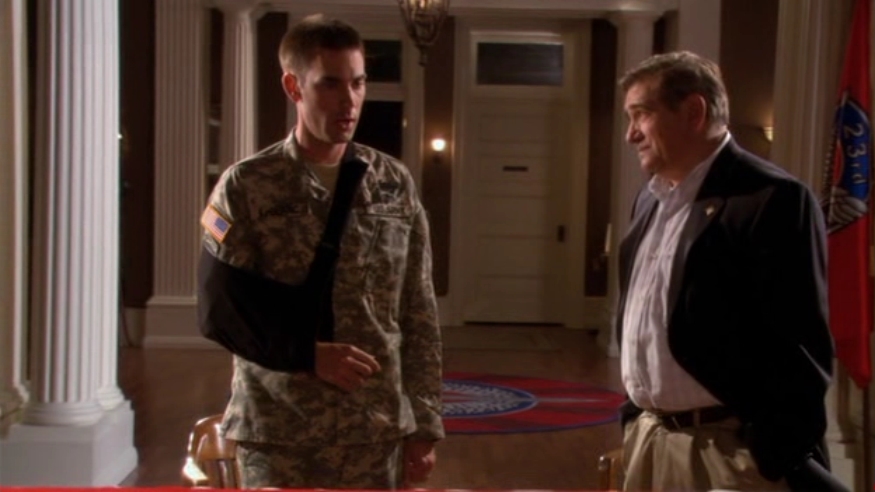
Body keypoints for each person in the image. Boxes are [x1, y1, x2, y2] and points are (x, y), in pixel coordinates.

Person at [197, 14, 444, 489]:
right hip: (278, 431)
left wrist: (425, 424)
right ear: (294, 86)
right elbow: (219, 311)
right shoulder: (248, 185)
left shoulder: (393, 183)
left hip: (373, 429)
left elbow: (418, 312)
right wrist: (306, 355)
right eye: (330, 84)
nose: (349, 101)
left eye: (358, 83)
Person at [614, 51, 844, 491]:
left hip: (728, 456)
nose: (630, 134)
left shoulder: (771, 199)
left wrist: (767, 456)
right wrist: (634, 418)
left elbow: (801, 349)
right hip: (650, 440)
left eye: (641, 114)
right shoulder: (649, 200)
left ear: (694, 111)